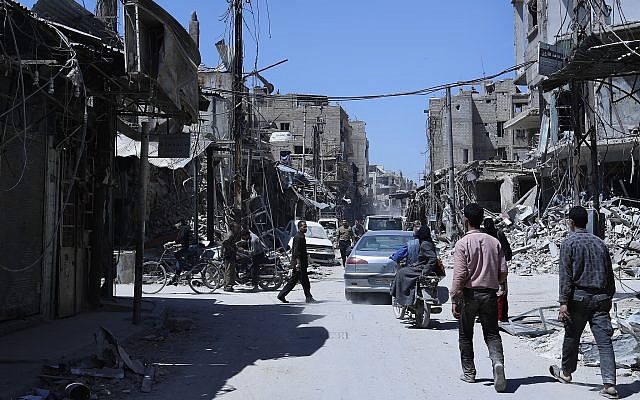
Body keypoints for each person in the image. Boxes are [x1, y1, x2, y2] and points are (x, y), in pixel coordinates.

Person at [549, 206, 617, 399]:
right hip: (601, 299)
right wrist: (609, 296)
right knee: (605, 343)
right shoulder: (600, 243)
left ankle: (567, 373)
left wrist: (563, 303)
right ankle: (610, 384)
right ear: (585, 222)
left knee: (571, 337)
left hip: (578, 299)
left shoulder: (568, 243)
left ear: (571, 222)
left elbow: (565, 276)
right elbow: (609, 275)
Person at [451, 203, 508, 392]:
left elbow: (459, 275)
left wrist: (455, 298)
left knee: (466, 335)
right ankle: (498, 364)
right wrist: (492, 281)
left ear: (466, 220)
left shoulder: (462, 244)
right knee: (492, 334)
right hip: (490, 295)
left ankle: (469, 373)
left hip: (469, 295)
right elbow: (503, 272)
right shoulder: (494, 242)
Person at [390, 226, 440, 306]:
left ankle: (401, 296)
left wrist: (425, 270)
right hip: (421, 267)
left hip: (422, 269)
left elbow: (432, 258)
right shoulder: (428, 242)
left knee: (401, 273)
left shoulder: (423, 244)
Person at [278, 220, 316, 303]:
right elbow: (296, 252)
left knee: (294, 281)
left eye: (306, 226)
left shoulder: (301, 236)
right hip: (299, 263)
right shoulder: (298, 237)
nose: (305, 228)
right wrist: (298, 263)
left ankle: (281, 295)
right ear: (299, 228)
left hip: (301, 262)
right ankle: (308, 297)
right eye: (303, 227)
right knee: (304, 281)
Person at [483, 218, 513, 322]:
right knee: (501, 293)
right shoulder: (498, 235)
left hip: (487, 270)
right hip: (499, 269)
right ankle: (501, 316)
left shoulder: (483, 237)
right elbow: (508, 254)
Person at [170, 219, 196, 285]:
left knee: (177, 255)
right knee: (178, 255)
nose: (175, 225)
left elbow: (181, 237)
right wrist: (176, 244)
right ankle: (177, 276)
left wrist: (173, 243)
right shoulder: (185, 228)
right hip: (190, 246)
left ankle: (179, 273)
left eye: (176, 223)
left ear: (180, 223)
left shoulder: (183, 228)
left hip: (191, 247)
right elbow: (183, 240)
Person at [222, 222, 242, 292]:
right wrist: (231, 249)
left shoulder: (233, 234)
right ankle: (228, 286)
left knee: (229, 270)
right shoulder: (230, 234)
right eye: (236, 227)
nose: (237, 229)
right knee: (229, 270)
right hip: (229, 255)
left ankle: (226, 285)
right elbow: (225, 242)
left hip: (230, 254)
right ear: (232, 227)